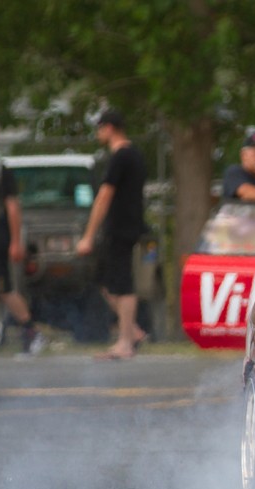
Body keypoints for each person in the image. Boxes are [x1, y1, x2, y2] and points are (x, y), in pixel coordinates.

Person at [75, 109, 148, 360]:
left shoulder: (121, 156)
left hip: (121, 228)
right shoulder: (135, 155)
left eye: (99, 128)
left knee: (122, 283)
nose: (98, 134)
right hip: (127, 226)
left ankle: (125, 343)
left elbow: (104, 195)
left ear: (109, 128)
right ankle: (133, 330)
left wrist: (88, 235)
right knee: (105, 280)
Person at [0, 122, 45, 355]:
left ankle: (31, 331)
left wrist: (15, 241)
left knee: (4, 289)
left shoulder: (1, 172)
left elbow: (12, 207)